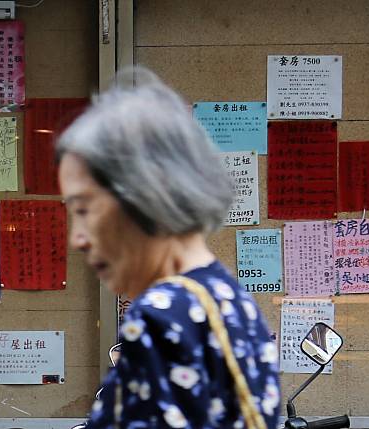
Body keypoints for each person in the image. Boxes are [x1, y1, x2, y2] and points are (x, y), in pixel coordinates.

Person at [57, 67, 280, 429]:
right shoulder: (226, 299)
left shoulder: (162, 316)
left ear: (142, 197)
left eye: (84, 210)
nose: (77, 238)